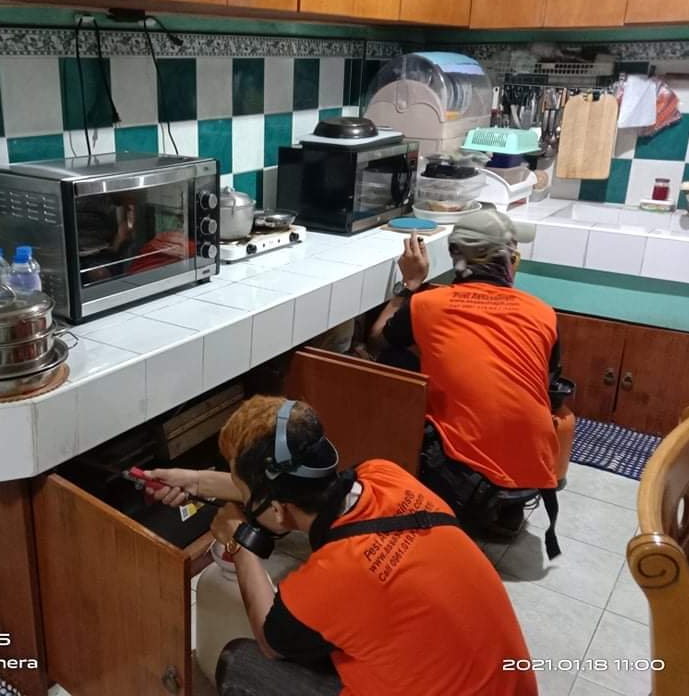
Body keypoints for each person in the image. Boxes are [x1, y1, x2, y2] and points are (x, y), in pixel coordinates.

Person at [145, 396, 537, 696]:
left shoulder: (332, 578)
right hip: (503, 683)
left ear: (278, 510)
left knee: (243, 662)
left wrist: (241, 543)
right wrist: (195, 481)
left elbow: (271, 639)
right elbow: (283, 492)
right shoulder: (386, 476)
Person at [368, 208, 561, 556]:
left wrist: (409, 285)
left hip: (462, 484)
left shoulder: (428, 305)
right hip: (530, 479)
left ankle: (412, 491)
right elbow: (546, 383)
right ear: (509, 263)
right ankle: (498, 509)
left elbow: (378, 337)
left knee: (388, 360)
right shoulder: (542, 313)